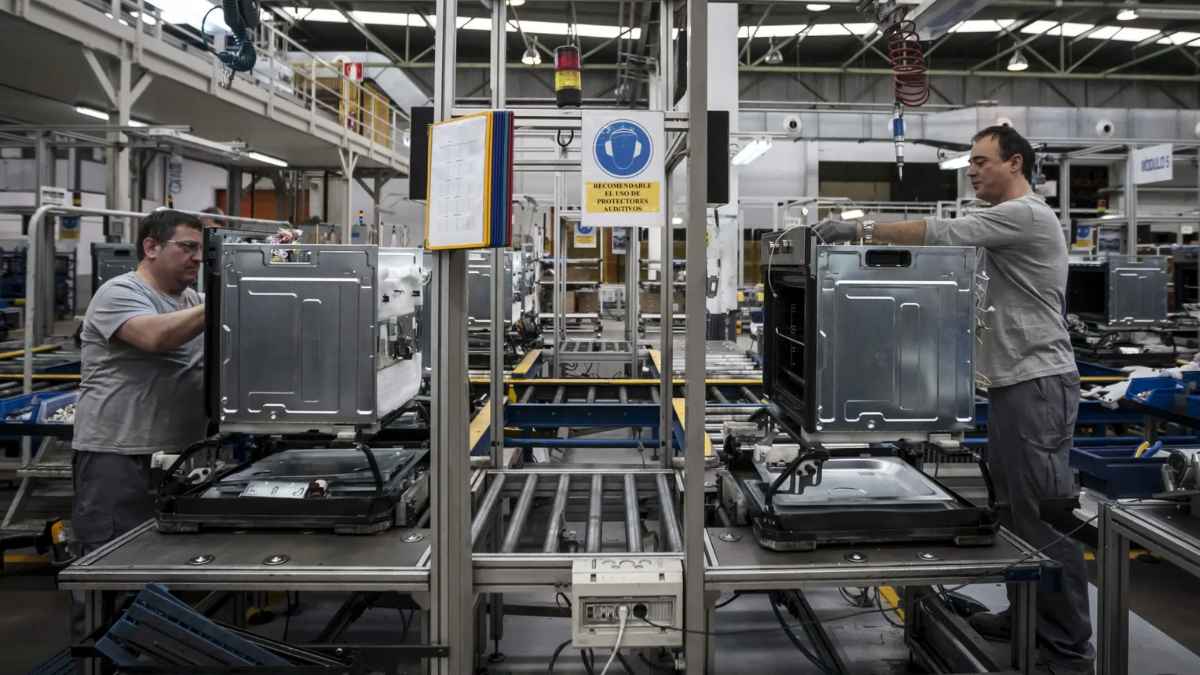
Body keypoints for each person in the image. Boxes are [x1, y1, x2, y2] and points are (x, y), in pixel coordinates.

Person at [814, 126, 1093, 675]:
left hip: (1038, 384)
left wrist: (856, 227)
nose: (972, 171)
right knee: (1014, 513)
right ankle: (1025, 617)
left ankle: (1067, 648)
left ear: (1015, 164)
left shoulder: (1026, 215)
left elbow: (942, 232)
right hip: (1018, 385)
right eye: (970, 163)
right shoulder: (1004, 224)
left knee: (1044, 516)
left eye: (981, 162)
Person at [72, 209, 208, 553]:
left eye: (201, 250)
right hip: (119, 454)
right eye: (188, 247)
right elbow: (155, 337)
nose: (198, 258)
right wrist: (231, 290)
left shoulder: (191, 299)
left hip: (176, 452)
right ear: (151, 247)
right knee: (113, 558)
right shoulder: (118, 293)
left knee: (164, 556)